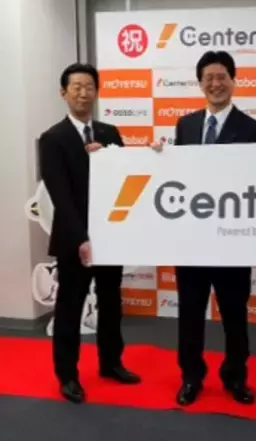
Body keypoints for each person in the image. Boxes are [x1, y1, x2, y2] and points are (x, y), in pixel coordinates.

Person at [39, 63, 141, 404]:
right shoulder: (53, 138)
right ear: (63, 93)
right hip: (73, 239)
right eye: (76, 87)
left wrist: (151, 155)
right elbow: (60, 195)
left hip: (110, 236)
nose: (83, 93)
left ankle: (111, 363)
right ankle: (67, 375)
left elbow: (127, 177)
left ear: (97, 91)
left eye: (89, 87)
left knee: (111, 303)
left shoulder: (109, 133)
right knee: (70, 306)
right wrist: (81, 239)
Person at [169, 51, 256, 406]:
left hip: (232, 240)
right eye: (209, 77)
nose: (216, 83)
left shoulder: (254, 130)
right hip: (192, 241)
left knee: (235, 314)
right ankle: (191, 376)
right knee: (190, 313)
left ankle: (236, 376)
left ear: (233, 81)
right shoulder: (185, 126)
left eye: (222, 76)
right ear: (200, 83)